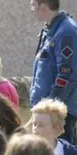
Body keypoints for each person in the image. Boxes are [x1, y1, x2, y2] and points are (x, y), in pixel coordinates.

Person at [30, 0, 77, 143]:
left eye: (33, 4)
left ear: (43, 6)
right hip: (45, 114)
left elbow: (67, 76)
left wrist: (50, 108)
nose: (31, 9)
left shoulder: (66, 32)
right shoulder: (50, 30)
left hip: (58, 115)